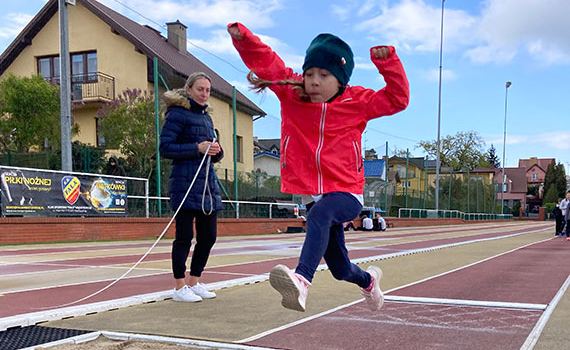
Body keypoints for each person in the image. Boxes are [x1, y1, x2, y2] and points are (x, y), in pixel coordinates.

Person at [228, 22, 409, 312]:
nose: (313, 81)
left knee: (320, 216)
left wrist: (387, 63)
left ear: (340, 81)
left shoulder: (357, 102)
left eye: (324, 75)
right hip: (313, 194)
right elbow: (268, 64)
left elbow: (397, 99)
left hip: (347, 193)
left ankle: (301, 280)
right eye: (310, 73)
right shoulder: (292, 95)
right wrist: (244, 38)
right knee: (340, 269)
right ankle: (369, 282)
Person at [159, 72, 224, 303]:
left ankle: (195, 281)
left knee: (209, 237)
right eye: (200, 89)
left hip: (207, 187)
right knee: (184, 237)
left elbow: (213, 150)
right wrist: (197, 148)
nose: (204, 94)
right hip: (184, 185)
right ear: (188, 90)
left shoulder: (207, 118)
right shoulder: (177, 114)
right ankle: (179, 286)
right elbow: (165, 148)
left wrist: (216, 151)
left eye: (207, 90)